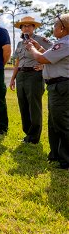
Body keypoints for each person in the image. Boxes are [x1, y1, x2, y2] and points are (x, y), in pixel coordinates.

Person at [26, 13, 69, 169]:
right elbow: (50, 55)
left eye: (56, 25)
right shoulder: (62, 43)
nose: (53, 28)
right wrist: (38, 47)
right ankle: (56, 154)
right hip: (57, 86)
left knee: (61, 123)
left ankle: (66, 159)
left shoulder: (65, 43)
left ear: (63, 28)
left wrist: (32, 49)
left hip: (61, 87)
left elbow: (42, 59)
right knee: (54, 122)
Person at [9, 16, 53, 144]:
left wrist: (43, 65)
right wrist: (13, 79)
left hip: (34, 75)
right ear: (21, 29)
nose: (26, 28)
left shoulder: (41, 40)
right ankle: (27, 134)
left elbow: (55, 54)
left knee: (34, 106)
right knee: (23, 105)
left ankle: (34, 137)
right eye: (23, 26)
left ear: (34, 27)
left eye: (29, 25)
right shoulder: (19, 43)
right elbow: (17, 62)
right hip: (21, 76)